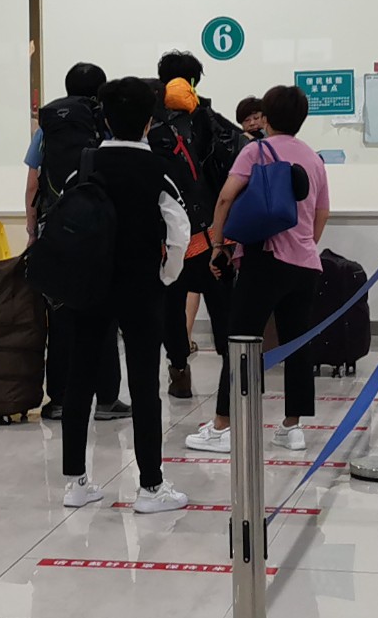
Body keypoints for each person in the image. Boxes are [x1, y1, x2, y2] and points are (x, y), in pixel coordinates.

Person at [52, 75, 190, 514]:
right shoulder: (159, 169)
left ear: (106, 120)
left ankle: (76, 482)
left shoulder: (84, 166)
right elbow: (180, 231)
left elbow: (62, 222)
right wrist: (167, 275)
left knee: (80, 381)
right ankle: (150, 487)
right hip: (141, 288)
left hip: (88, 288)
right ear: (149, 122)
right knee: (145, 384)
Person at [189, 83, 329, 455]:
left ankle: (224, 425)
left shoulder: (256, 151)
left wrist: (218, 244)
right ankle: (292, 427)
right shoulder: (313, 158)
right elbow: (322, 212)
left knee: (241, 340)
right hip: (305, 264)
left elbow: (225, 198)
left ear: (265, 117)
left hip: (264, 259)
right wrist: (305, 243)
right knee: (297, 342)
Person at [25, 64, 125, 421]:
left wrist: (33, 229)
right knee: (104, 316)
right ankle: (108, 400)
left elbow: (33, 183)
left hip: (57, 230)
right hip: (100, 231)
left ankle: (59, 400)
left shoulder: (49, 128)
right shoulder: (106, 122)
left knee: (61, 318)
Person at [148, 52, 240, 400]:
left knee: (171, 307)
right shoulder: (212, 120)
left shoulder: (152, 126)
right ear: (195, 82)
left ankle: (179, 371)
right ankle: (233, 375)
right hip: (214, 233)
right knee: (223, 305)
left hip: (169, 237)